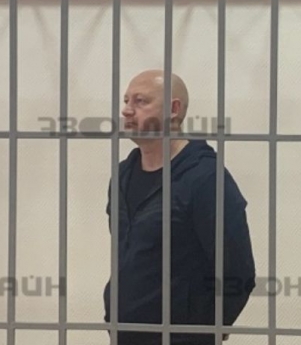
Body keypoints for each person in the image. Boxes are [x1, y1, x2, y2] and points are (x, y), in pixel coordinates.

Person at [103, 69, 256, 345]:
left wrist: (203, 332)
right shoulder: (123, 175)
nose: (126, 110)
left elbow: (238, 272)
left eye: (140, 101)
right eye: (126, 101)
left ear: (173, 110)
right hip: (123, 334)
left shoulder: (205, 178)